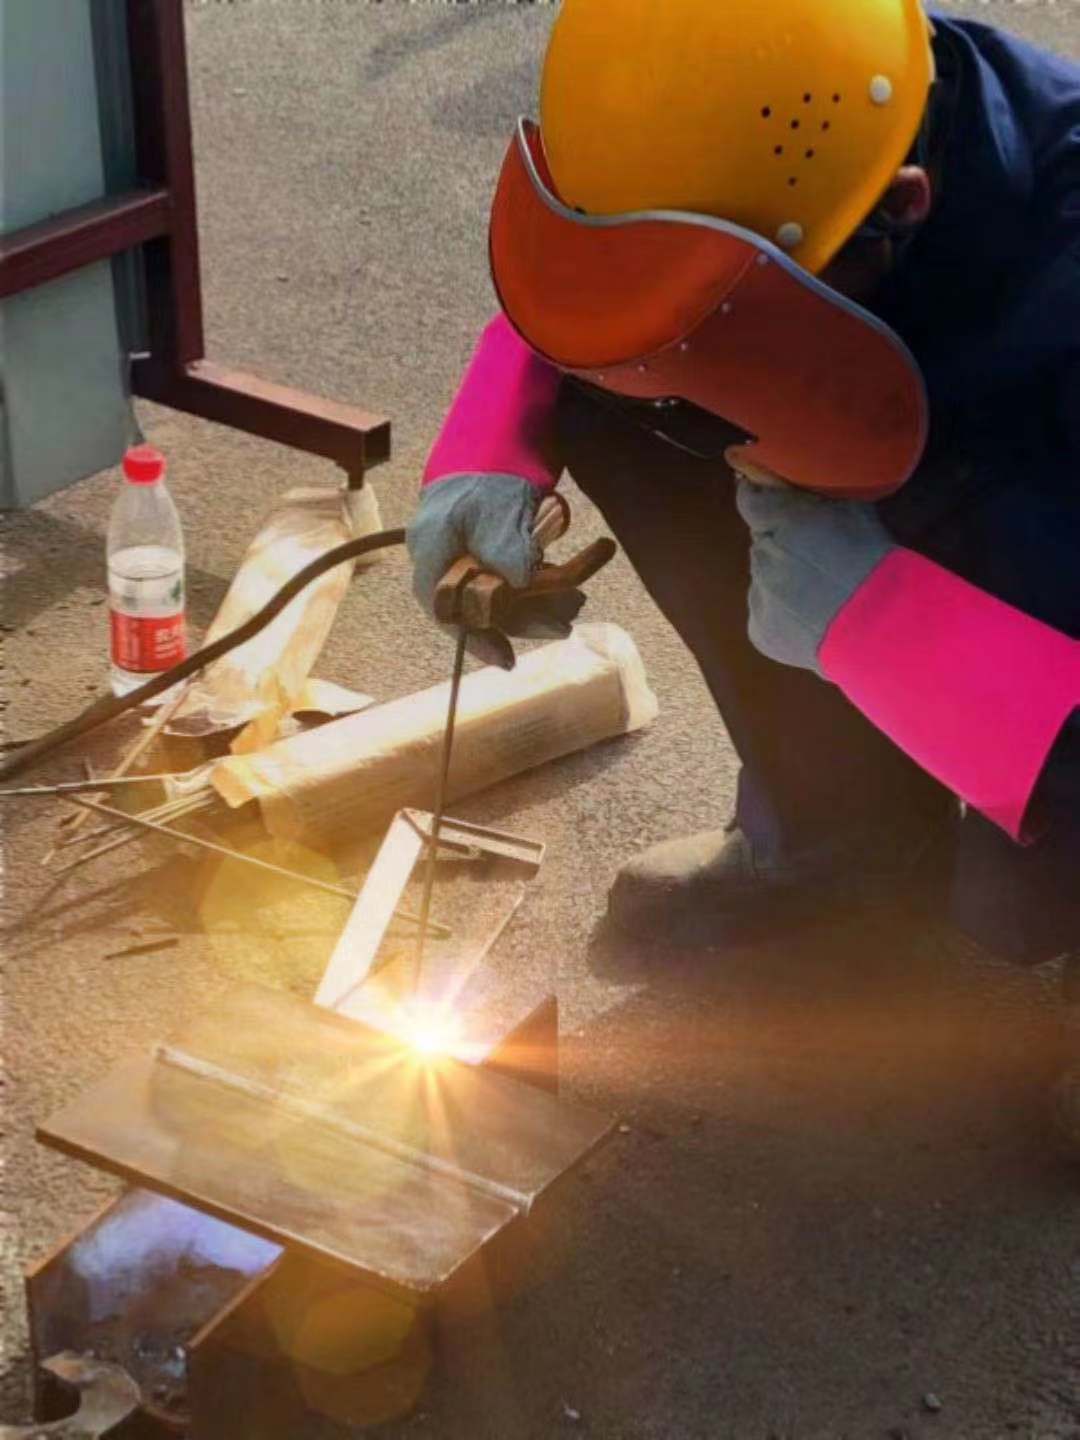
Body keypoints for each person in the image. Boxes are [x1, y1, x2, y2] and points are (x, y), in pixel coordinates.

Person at [407, 0, 1079, 970]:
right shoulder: (773, 76)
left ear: (902, 206)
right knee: (630, 385)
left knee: (1020, 903)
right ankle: (844, 837)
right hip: (950, 421)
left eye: (739, 293)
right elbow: (629, 263)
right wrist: (496, 434)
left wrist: (898, 636)